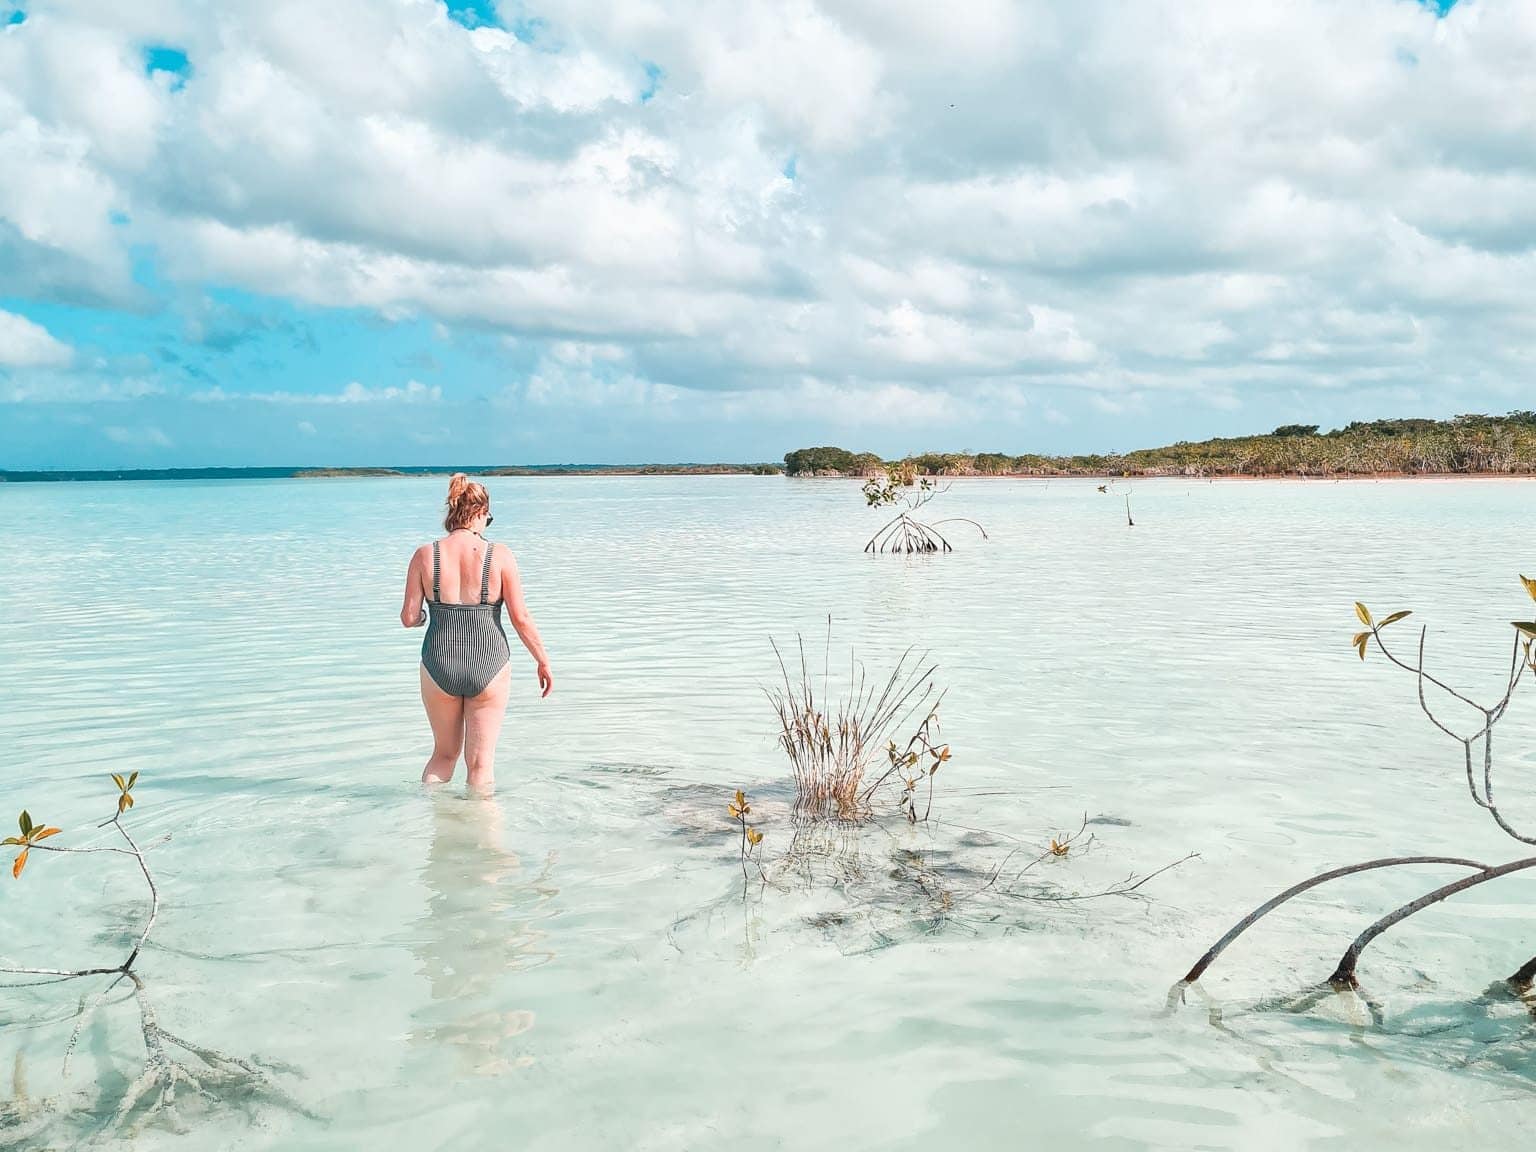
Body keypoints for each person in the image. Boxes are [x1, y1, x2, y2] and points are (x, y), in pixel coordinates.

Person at [401, 473, 552, 790]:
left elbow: (409, 617)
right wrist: (543, 660)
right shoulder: (500, 555)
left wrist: (424, 619)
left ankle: (432, 826)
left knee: (443, 756)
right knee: (481, 765)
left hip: (438, 663)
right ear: (481, 512)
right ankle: (483, 836)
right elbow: (520, 617)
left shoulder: (424, 554)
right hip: (489, 663)